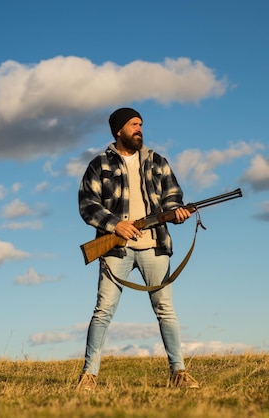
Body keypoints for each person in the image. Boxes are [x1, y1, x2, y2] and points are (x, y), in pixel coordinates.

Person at [76, 107, 200, 390]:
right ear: (119, 130)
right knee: (103, 310)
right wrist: (115, 225)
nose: (139, 128)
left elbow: (172, 198)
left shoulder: (158, 161)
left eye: (141, 124)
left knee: (165, 309)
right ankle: (88, 375)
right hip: (114, 248)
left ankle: (179, 372)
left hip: (154, 245)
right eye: (133, 124)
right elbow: (87, 204)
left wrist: (177, 213)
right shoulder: (99, 164)